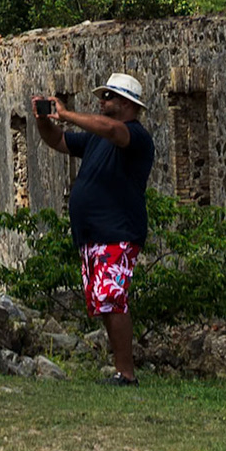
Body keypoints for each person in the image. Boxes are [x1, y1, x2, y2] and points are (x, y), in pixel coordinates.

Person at [34, 72, 154, 386]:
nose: (102, 101)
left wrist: (68, 114)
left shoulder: (135, 135)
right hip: (93, 235)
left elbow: (115, 131)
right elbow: (57, 140)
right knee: (102, 301)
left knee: (112, 298)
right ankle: (119, 370)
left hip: (118, 231)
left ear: (127, 104)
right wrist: (44, 120)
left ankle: (126, 374)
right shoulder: (96, 138)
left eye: (109, 97)